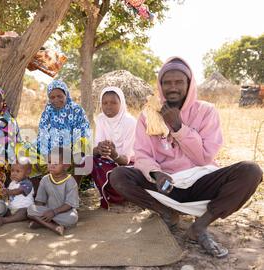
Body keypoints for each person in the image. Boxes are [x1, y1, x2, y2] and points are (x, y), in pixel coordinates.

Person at [110, 57, 263, 258]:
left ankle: (199, 227)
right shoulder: (149, 115)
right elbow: (142, 154)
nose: (172, 87)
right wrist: (157, 174)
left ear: (189, 84)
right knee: (118, 176)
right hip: (166, 185)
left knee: (251, 171)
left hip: (201, 182)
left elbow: (204, 157)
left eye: (179, 82)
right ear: (160, 85)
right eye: (167, 82)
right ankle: (167, 213)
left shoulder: (206, 111)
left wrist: (178, 127)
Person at [36, 79, 92, 189]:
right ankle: (43, 189)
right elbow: (42, 135)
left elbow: (83, 133)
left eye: (59, 96)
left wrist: (67, 153)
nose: (56, 100)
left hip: (71, 152)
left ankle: (73, 188)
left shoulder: (76, 110)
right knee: (28, 150)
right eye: (52, 97)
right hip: (51, 153)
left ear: (66, 94)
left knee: (83, 145)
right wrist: (49, 155)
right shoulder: (47, 112)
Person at [91, 86, 137, 209]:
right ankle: (110, 198)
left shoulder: (130, 122)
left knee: (119, 172)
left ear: (121, 103)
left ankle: (124, 196)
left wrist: (114, 154)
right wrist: (99, 149)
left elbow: (126, 160)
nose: (108, 106)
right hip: (107, 160)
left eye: (113, 102)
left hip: (128, 163)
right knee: (89, 160)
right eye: (105, 103)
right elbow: (96, 149)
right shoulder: (101, 119)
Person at [27, 147, 79, 236]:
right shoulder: (45, 179)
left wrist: (53, 212)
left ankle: (41, 222)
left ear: (66, 165)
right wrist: (41, 212)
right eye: (49, 162)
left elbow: (69, 204)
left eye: (56, 163)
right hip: (47, 210)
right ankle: (53, 226)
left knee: (72, 218)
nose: (51, 165)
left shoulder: (70, 181)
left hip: (63, 212)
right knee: (30, 209)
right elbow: (40, 201)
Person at [0, 157, 34, 226]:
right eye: (12, 171)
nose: (14, 173)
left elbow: (18, 191)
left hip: (23, 208)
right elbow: (9, 195)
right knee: (3, 208)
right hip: (12, 208)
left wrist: (8, 191)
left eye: (18, 171)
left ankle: (5, 220)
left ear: (27, 173)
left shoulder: (27, 183)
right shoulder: (12, 183)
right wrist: (4, 193)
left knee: (24, 212)